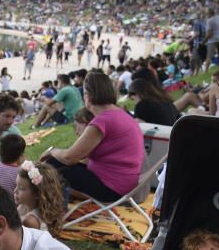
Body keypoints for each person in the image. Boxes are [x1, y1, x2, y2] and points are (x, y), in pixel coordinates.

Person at [41, 72, 144, 203]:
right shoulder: (120, 114)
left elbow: (69, 158)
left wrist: (51, 150)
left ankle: (43, 211)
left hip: (112, 189)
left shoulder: (103, 121)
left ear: (87, 95)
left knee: (47, 172)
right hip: (125, 184)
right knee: (53, 163)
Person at [14, 160, 66, 236]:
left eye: (21, 188)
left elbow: (23, 244)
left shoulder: (31, 221)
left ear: (37, 194)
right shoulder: (25, 205)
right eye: (16, 185)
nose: (15, 190)